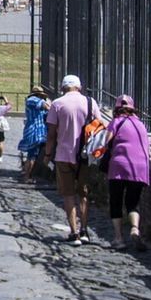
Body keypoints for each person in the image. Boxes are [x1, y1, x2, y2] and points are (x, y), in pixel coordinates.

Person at [46, 74, 103, 244]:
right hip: (85, 155)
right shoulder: (90, 102)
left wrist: (47, 154)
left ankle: (74, 232)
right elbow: (99, 127)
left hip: (64, 155)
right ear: (79, 87)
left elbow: (51, 134)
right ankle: (85, 230)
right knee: (83, 193)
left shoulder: (57, 104)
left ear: (63, 88)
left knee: (68, 194)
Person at [105, 94, 151, 251]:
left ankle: (118, 238)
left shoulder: (116, 122)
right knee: (133, 202)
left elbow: (106, 143)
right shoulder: (141, 125)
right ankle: (135, 228)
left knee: (116, 201)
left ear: (117, 109)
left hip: (119, 166)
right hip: (139, 167)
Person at [17, 86, 50, 184]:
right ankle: (27, 176)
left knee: (35, 155)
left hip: (40, 131)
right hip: (34, 131)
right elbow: (47, 107)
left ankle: (32, 173)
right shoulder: (32, 100)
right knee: (32, 155)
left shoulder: (38, 102)